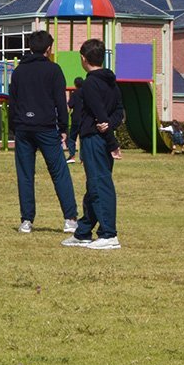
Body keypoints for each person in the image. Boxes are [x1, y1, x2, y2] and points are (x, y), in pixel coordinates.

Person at [8, 30, 79, 235]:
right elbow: (60, 101)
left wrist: (15, 125)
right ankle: (70, 218)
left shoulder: (19, 71)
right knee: (59, 172)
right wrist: (64, 127)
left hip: (23, 128)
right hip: (46, 128)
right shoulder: (53, 70)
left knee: (25, 175)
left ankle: (26, 220)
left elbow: (12, 101)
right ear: (48, 49)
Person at [63, 39, 124, 250]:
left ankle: (109, 234)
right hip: (103, 139)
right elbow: (119, 113)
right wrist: (110, 124)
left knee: (100, 185)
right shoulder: (112, 82)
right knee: (93, 185)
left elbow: (99, 115)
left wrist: (111, 139)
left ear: (83, 58)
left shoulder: (90, 84)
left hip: (94, 140)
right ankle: (83, 232)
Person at [66, 77, 83, 163]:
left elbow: (70, 106)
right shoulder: (87, 93)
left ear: (75, 84)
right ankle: (83, 159)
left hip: (76, 119)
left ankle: (72, 156)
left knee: (72, 138)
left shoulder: (74, 94)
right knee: (83, 139)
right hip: (84, 119)